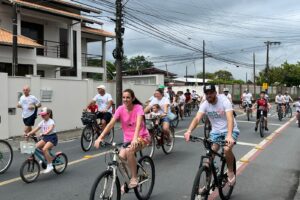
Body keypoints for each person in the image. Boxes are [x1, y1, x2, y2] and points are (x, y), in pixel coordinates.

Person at [184, 84, 239, 186]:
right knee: (210, 154)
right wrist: (189, 131)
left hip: (230, 129)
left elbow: (230, 118)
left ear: (215, 93)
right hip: (216, 132)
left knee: (227, 149)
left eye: (211, 93)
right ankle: (207, 183)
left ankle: (230, 172)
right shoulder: (205, 104)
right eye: (206, 93)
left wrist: (229, 135)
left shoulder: (224, 101)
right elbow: (197, 118)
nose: (209, 95)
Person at [95, 89, 150, 188]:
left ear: (132, 98)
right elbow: (111, 124)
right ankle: (128, 178)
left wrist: (135, 139)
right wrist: (100, 137)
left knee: (129, 151)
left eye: (128, 97)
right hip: (127, 140)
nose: (125, 99)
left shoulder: (138, 108)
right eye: (124, 97)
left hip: (141, 137)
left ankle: (134, 177)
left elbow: (138, 125)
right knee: (120, 158)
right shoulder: (120, 109)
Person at [25, 107, 57, 173]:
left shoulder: (51, 121)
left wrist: (45, 133)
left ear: (49, 114)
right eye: (41, 115)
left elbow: (50, 128)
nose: (42, 116)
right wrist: (29, 133)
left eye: (44, 114)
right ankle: (45, 157)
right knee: (35, 147)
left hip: (52, 138)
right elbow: (36, 129)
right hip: (45, 138)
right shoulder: (42, 122)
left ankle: (50, 165)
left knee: (45, 149)